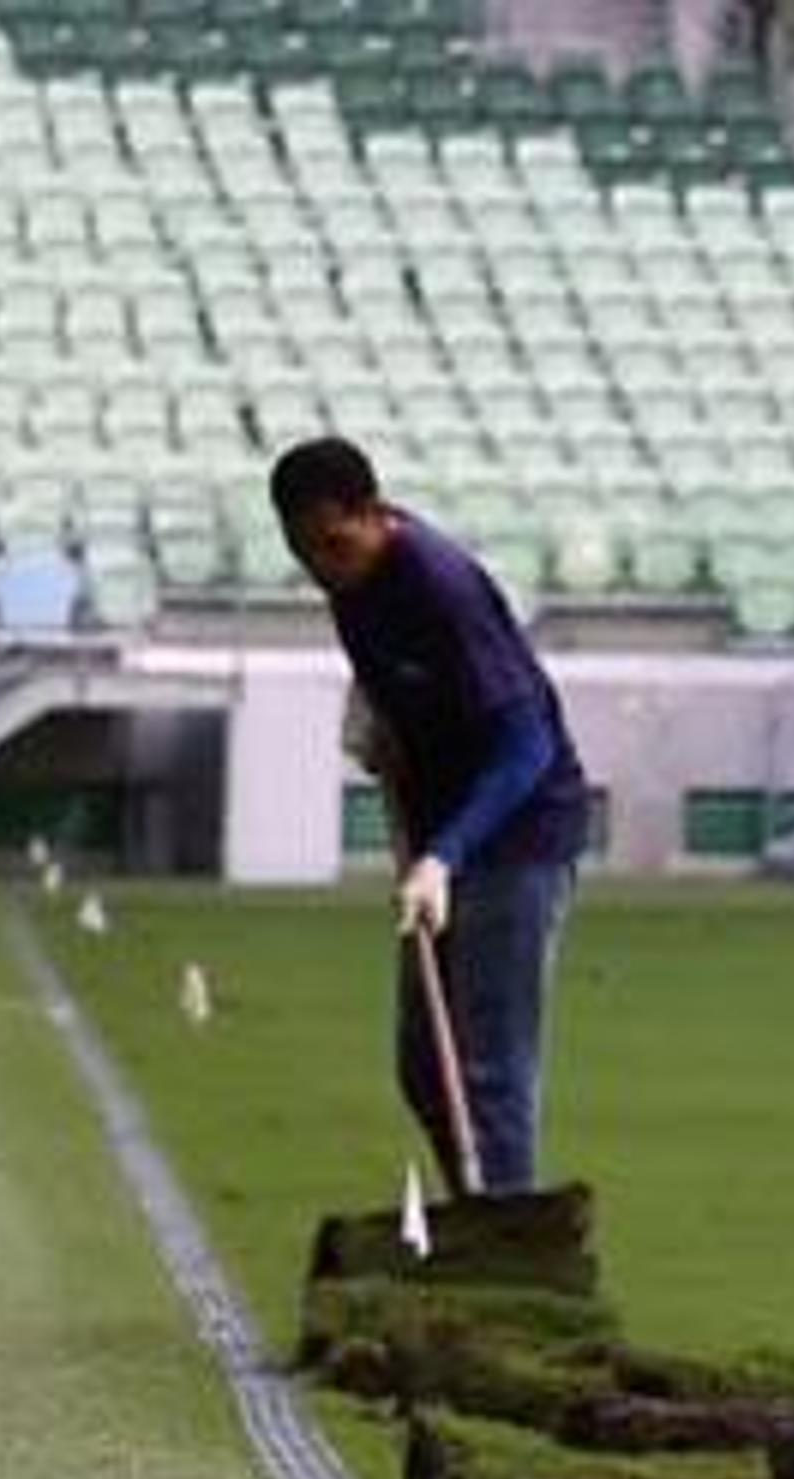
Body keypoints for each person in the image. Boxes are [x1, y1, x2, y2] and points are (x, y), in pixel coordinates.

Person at [271, 437, 592, 1198]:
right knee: (425, 1067)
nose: (324, 566)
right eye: (304, 551)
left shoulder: (440, 585)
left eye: (334, 544)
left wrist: (445, 855)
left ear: (374, 515)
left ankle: (509, 1248)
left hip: (517, 835)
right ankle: (476, 1215)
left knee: (489, 1069)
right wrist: (382, 722)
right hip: (442, 834)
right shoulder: (349, 585)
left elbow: (526, 743)